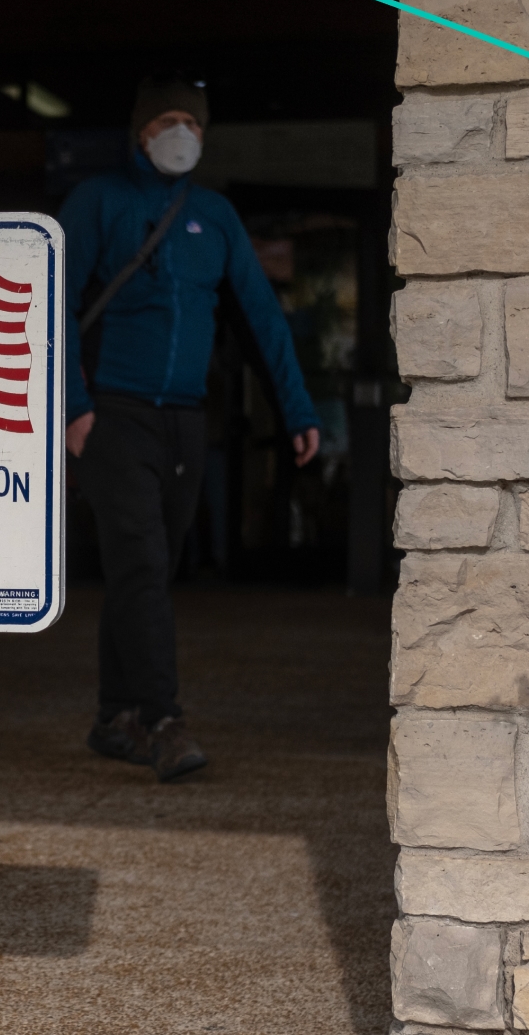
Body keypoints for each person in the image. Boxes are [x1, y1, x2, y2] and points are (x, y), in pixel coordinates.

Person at [63, 77, 322, 782]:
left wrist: (296, 408)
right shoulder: (99, 202)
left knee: (147, 571)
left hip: (184, 419)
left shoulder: (214, 215)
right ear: (140, 131)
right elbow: (48, 299)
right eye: (167, 120)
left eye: (191, 121)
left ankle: (114, 716)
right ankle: (163, 721)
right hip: (113, 417)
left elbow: (262, 318)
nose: (180, 131)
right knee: (143, 565)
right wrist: (70, 408)